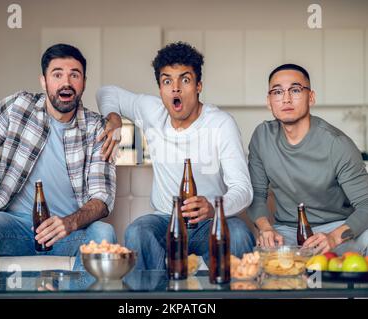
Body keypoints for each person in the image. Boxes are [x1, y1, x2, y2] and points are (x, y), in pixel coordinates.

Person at [0, 44, 117, 291]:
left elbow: (101, 198)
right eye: (57, 74)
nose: (66, 82)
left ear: (84, 82)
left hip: (68, 232)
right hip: (15, 227)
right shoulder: (18, 107)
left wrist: (69, 223)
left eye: (74, 74)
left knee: (104, 234)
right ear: (43, 81)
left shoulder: (97, 128)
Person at [96, 42, 255, 270]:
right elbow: (106, 92)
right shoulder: (151, 110)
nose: (176, 88)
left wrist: (212, 206)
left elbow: (243, 189)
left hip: (211, 221)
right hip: (166, 220)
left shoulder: (221, 124)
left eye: (185, 80)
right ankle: (150, 302)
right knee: (137, 231)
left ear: (199, 85)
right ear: (160, 88)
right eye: (167, 81)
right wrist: (114, 118)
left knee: (239, 234)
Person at [247, 63, 368, 256]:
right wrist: (265, 228)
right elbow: (257, 196)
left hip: (337, 227)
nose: (286, 98)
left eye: (295, 90)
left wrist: (333, 236)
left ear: (311, 97)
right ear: (269, 100)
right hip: (287, 231)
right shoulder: (262, 137)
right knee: (262, 253)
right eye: (278, 92)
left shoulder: (337, 144)